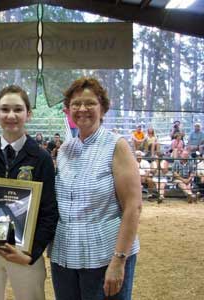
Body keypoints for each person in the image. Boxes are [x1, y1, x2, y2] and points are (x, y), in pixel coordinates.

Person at [0, 85, 58, 300]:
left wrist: (31, 254)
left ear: (28, 114)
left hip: (25, 250)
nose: (11, 115)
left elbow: (50, 211)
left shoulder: (41, 159)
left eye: (18, 109)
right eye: (5, 109)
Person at [50, 77, 141, 300]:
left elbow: (133, 206)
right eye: (76, 104)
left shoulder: (116, 145)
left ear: (102, 108)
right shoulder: (64, 150)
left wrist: (119, 260)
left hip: (105, 256)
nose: (82, 109)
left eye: (90, 103)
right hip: (64, 256)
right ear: (68, 110)